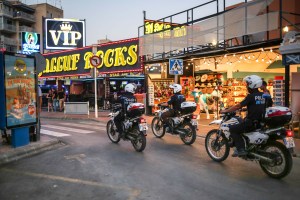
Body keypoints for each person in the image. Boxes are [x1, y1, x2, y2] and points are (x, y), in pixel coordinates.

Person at [220, 75, 265, 157]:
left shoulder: (250, 96)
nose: (246, 86)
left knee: (233, 129)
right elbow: (260, 107)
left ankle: (241, 149)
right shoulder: (264, 95)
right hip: (261, 122)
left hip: (251, 123)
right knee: (241, 123)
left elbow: (238, 106)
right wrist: (247, 109)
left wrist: (226, 110)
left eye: (247, 84)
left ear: (252, 85)